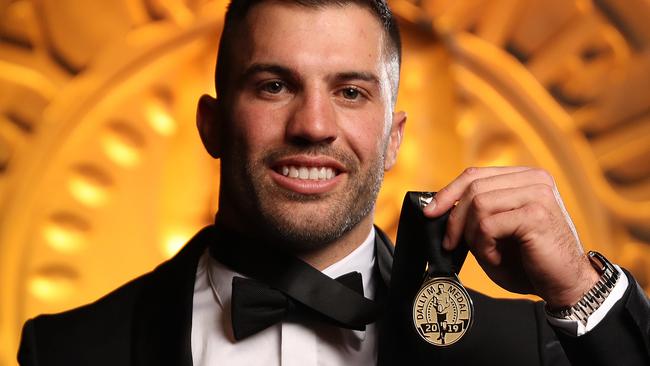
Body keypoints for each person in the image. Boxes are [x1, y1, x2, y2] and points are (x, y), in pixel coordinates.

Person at [17, 0, 649, 365]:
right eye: (274, 86)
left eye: (349, 92)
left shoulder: (520, 347)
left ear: (394, 137)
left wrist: (579, 288)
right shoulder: (67, 351)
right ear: (211, 125)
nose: (313, 125)